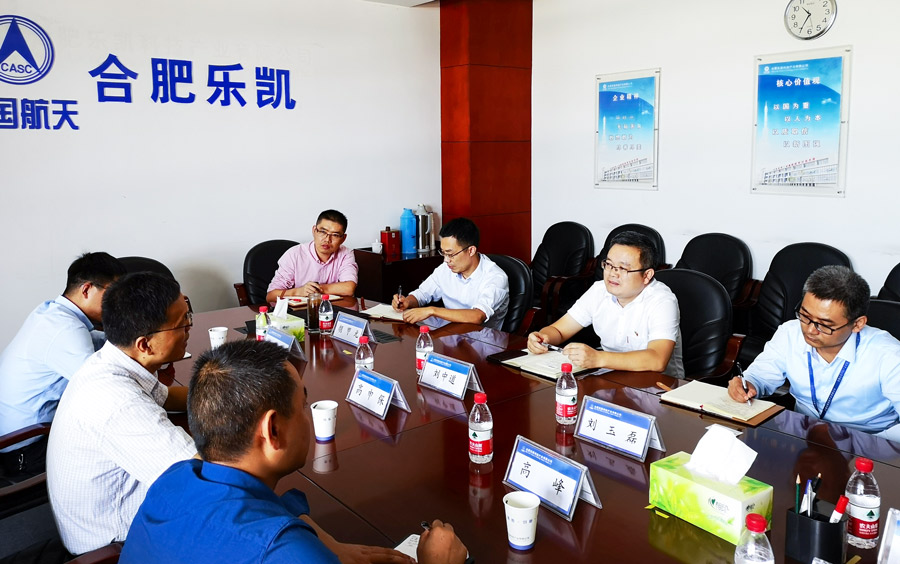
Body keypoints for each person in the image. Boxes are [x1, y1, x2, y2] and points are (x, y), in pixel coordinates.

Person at [120, 340, 468, 564]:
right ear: (273, 430)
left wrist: (317, 536)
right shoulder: (287, 554)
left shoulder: (175, 478)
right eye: (303, 405)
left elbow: (243, 505)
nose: (308, 415)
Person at [47, 272, 198, 555]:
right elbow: (200, 475)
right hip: (114, 548)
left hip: (111, 517)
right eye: (182, 323)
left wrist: (233, 394)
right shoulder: (119, 402)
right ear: (145, 344)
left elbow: (167, 397)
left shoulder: (112, 360)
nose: (190, 326)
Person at [729, 265, 900, 438]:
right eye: (805, 316)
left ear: (857, 324)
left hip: (865, 441)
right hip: (801, 435)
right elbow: (761, 376)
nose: (810, 330)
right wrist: (748, 385)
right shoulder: (790, 333)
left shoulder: (889, 355)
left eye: (824, 325)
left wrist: (870, 445)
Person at [0, 252, 126, 478]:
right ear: (87, 289)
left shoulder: (52, 312)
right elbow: (105, 389)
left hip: (23, 437)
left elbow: (96, 341)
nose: (118, 304)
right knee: (123, 440)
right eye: (113, 295)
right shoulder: (64, 328)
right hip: (27, 450)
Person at [527, 231, 684, 378]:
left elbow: (657, 360)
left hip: (657, 385)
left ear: (647, 275)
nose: (613, 273)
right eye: (609, 265)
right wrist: (543, 338)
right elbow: (559, 330)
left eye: (623, 268)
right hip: (611, 378)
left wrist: (598, 358)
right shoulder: (599, 290)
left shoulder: (662, 301)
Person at [392, 217, 509, 330]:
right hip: (449, 335)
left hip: (482, 340)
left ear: (471, 250)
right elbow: (422, 294)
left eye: (450, 254)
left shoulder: (496, 277)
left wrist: (432, 311)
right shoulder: (446, 269)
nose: (446, 260)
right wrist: (407, 302)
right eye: (443, 253)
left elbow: (478, 316)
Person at [266, 209, 358, 302]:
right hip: (298, 309)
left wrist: (316, 289)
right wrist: (299, 291)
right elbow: (271, 296)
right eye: (323, 232)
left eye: (335, 235)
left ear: (343, 238)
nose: (327, 239)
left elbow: (349, 288)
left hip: (330, 309)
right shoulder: (294, 254)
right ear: (314, 231)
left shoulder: (346, 253)